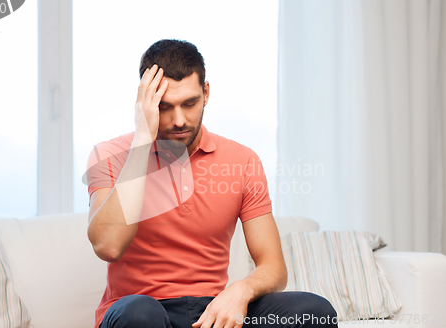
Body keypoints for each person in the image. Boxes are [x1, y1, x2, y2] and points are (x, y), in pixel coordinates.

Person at [86, 39, 337, 328]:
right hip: (142, 311)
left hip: (213, 312)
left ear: (206, 93)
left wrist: (240, 291)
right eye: (165, 107)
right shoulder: (109, 155)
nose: (179, 120)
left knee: (314, 310)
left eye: (189, 103)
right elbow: (108, 247)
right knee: (140, 314)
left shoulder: (243, 160)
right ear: (146, 103)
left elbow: (274, 267)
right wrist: (142, 140)